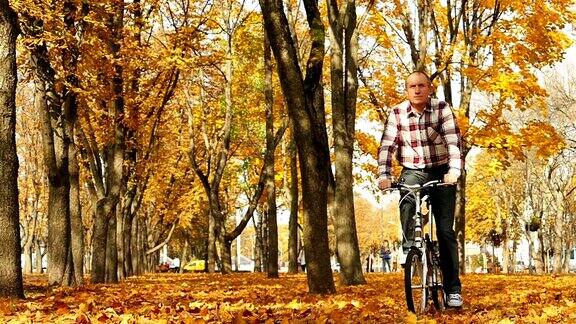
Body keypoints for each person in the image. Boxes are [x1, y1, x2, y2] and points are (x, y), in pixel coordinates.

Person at [377, 71, 464, 308]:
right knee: (406, 197)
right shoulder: (397, 113)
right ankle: (411, 248)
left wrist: (454, 171)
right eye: (412, 86)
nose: (417, 90)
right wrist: (384, 175)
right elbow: (387, 145)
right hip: (413, 170)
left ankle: (453, 290)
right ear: (407, 90)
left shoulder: (442, 109)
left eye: (421, 86)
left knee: (446, 232)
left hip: (441, 170)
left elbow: (454, 142)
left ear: (429, 88)